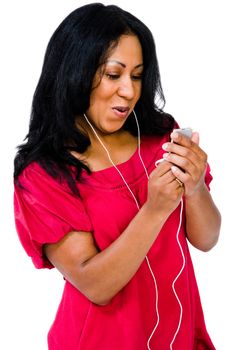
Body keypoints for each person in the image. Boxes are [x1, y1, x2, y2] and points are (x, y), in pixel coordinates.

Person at [13, 3, 221, 350]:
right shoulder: (44, 175)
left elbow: (206, 238)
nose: (129, 90)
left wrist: (196, 186)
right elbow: (96, 286)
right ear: (75, 72)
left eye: (137, 75)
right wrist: (154, 210)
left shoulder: (160, 136)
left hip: (179, 338)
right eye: (114, 74)